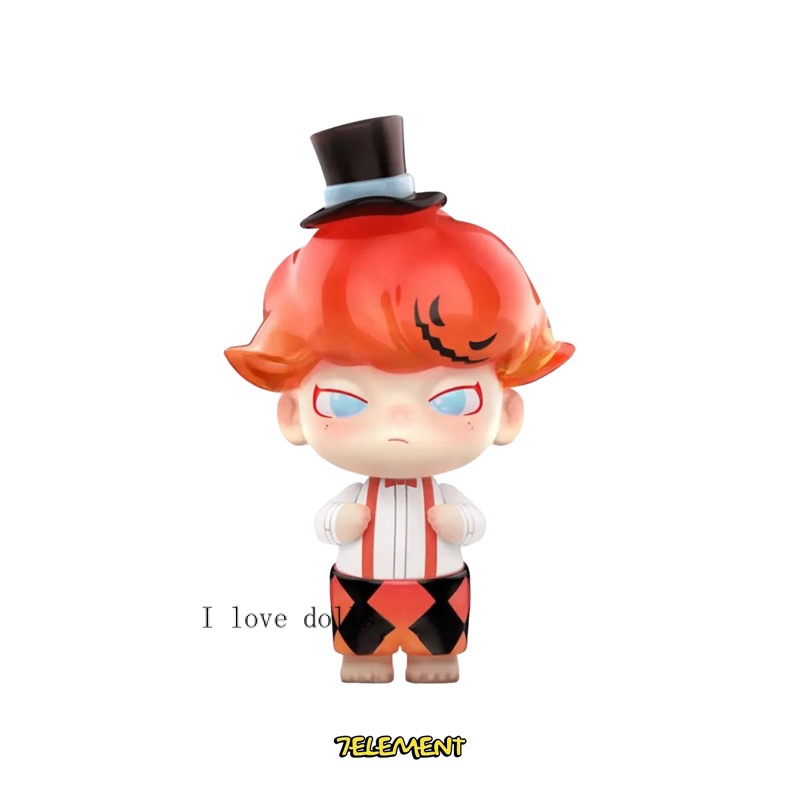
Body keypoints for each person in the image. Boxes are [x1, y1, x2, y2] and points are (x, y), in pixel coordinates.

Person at [225, 116, 574, 683]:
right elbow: (327, 525)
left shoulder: (444, 493)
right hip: (360, 586)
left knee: (438, 632)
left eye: (452, 400)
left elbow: (472, 524)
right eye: (344, 403)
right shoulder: (356, 492)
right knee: (363, 632)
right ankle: (363, 654)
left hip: (440, 586)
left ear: (507, 413)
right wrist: (341, 520)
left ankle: (437, 654)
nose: (399, 422)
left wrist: (459, 521)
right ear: (292, 414)